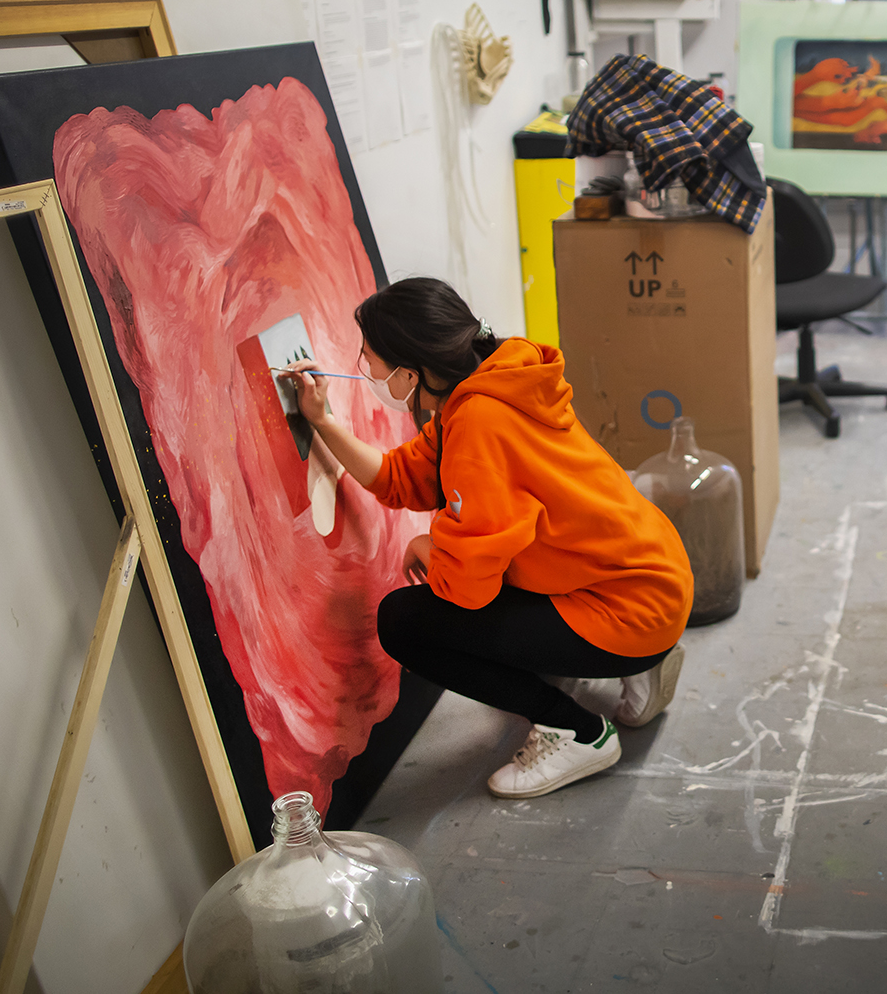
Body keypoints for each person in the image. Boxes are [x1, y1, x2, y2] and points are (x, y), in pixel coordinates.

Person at [280, 277, 692, 799]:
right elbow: (397, 478)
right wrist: (323, 421)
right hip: (649, 578)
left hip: (628, 611)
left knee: (405, 623)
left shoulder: (479, 422)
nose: (366, 372)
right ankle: (642, 666)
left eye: (369, 361)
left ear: (409, 371)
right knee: (474, 599)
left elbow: (467, 590)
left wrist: (430, 546)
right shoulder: (490, 381)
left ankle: (578, 731)